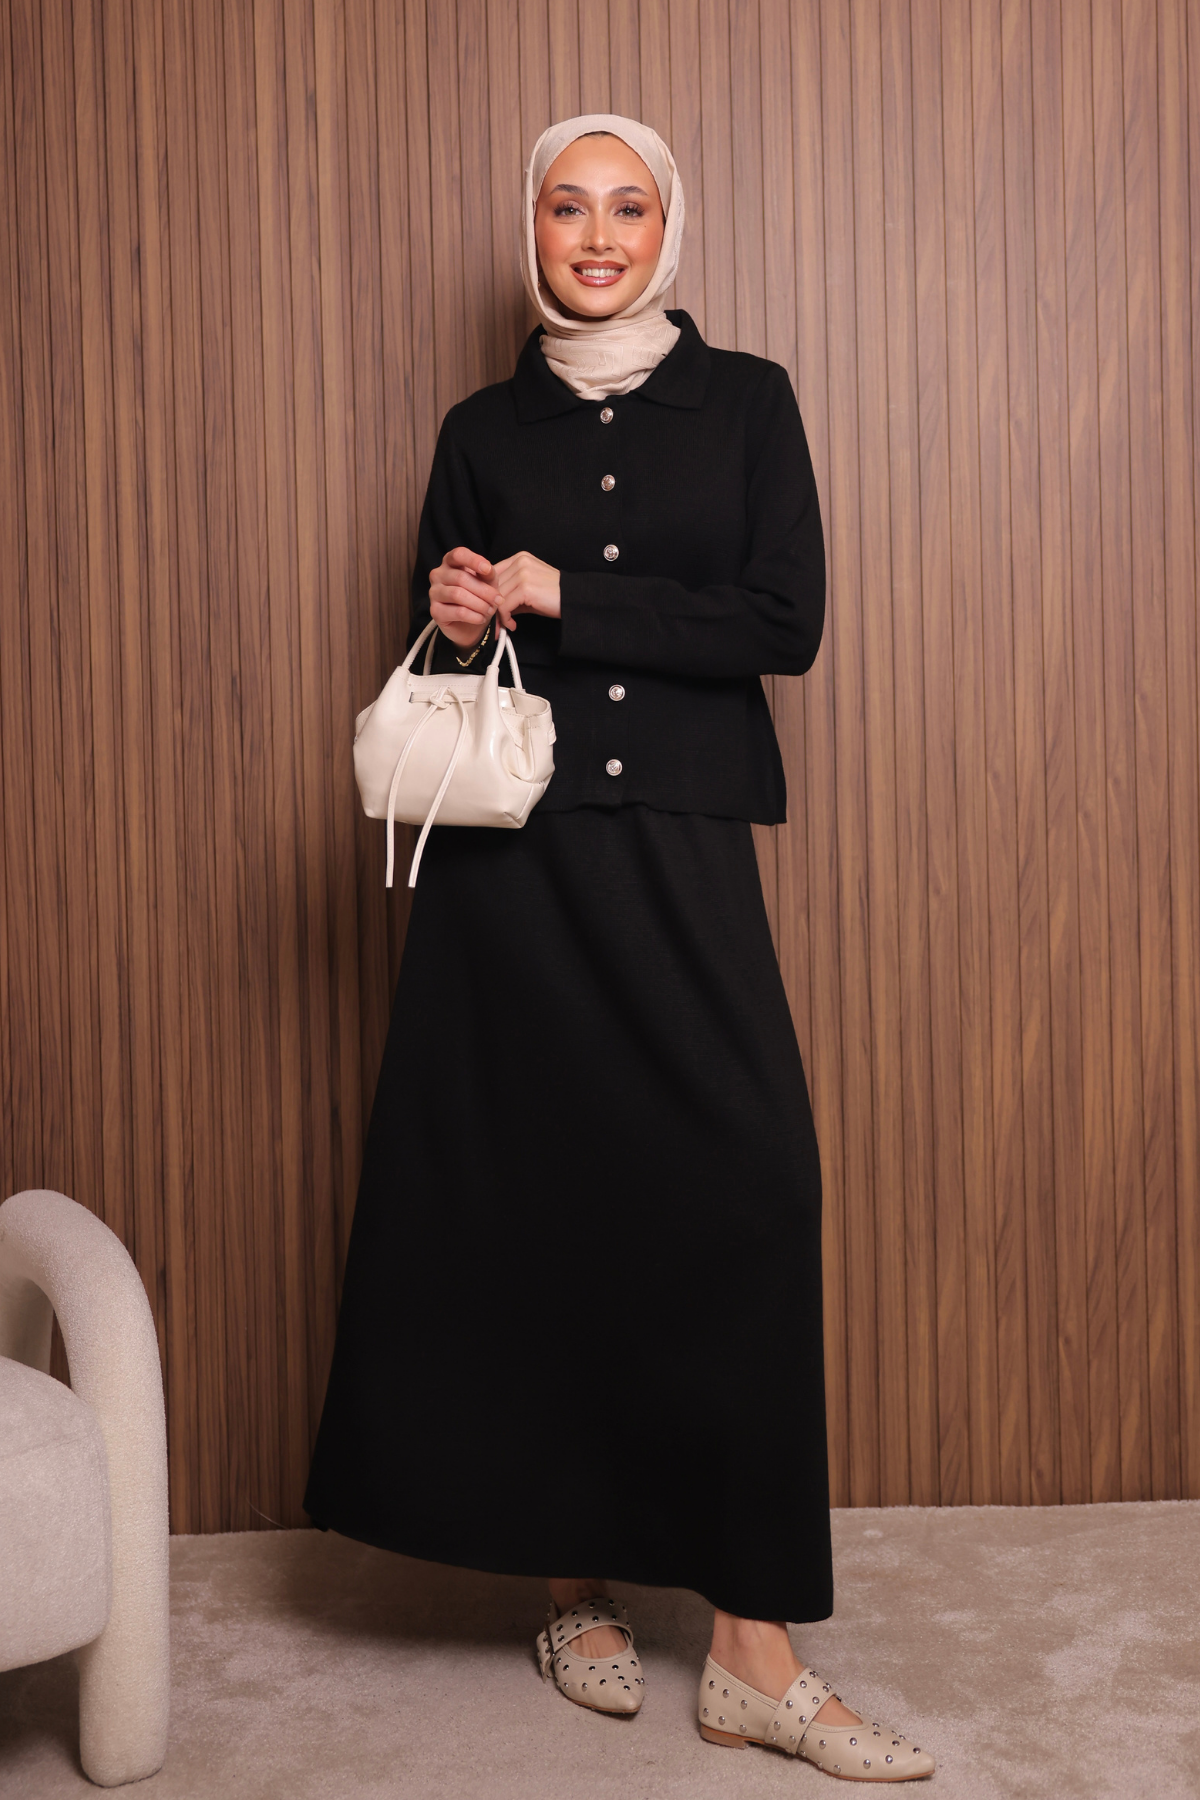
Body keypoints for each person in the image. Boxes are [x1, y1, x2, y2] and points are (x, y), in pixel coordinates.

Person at [305, 113, 933, 1782]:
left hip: (677, 842)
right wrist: (454, 610)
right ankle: (567, 1587)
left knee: (750, 1183)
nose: (597, 236)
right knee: (536, 1203)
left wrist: (574, 598)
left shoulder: (751, 402)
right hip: (509, 870)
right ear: (534, 229)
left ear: (670, 227)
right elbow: (446, 646)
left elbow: (785, 621)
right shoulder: (480, 426)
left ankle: (750, 1651)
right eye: (568, 207)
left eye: (628, 207)